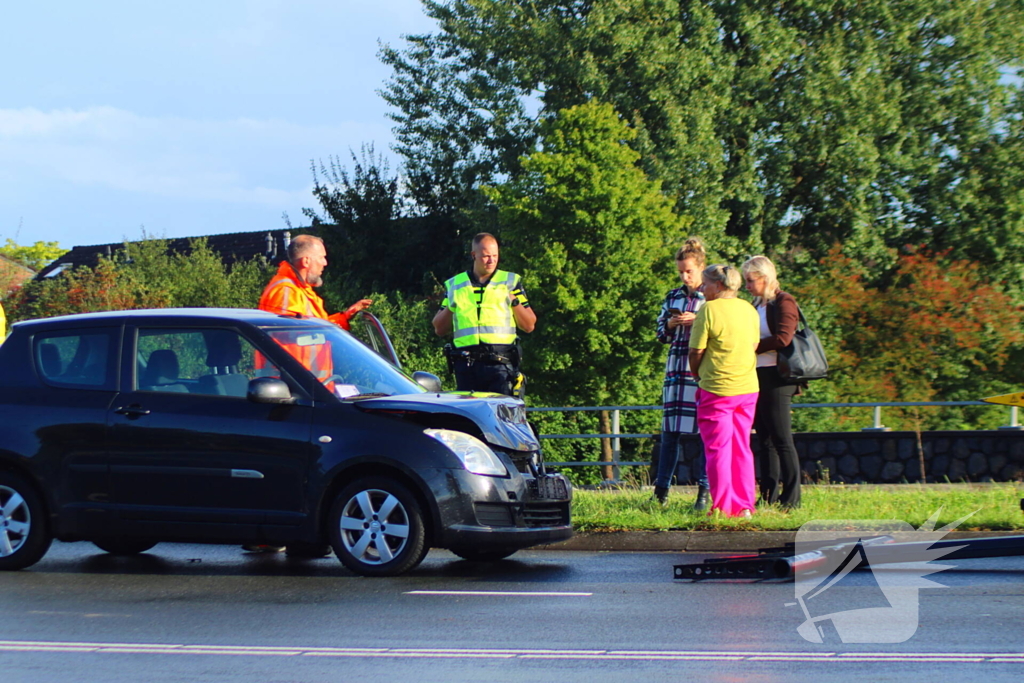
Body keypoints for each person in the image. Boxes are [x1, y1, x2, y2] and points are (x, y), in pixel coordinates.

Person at [250, 234, 370, 555]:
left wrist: (343, 318)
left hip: (305, 395)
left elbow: (313, 331)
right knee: (290, 468)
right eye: (322, 257)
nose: (325, 263)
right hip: (289, 397)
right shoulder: (285, 294)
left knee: (305, 468)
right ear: (306, 261)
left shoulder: (299, 292)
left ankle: (295, 534)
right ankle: (272, 534)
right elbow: (285, 347)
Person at [688, 264, 760, 518]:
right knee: (741, 446)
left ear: (718, 286)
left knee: (718, 449)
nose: (702, 288)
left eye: (705, 284)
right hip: (748, 388)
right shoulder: (749, 308)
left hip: (718, 388)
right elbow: (753, 344)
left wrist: (697, 373)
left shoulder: (708, 309)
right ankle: (744, 506)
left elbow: (696, 350)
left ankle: (722, 506)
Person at [432, 233, 536, 396]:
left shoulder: (510, 282)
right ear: (474, 255)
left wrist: (514, 301)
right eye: (486, 256)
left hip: (501, 367)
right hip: (467, 367)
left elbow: (529, 325)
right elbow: (439, 328)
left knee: (502, 418)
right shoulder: (456, 285)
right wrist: (451, 307)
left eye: (495, 256)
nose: (491, 261)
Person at [653, 237, 709, 509]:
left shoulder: (712, 296)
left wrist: (696, 319)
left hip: (700, 371)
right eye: (681, 272)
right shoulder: (673, 296)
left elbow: (721, 329)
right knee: (669, 434)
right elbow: (660, 333)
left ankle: (704, 491)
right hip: (675, 371)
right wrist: (673, 323)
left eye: (689, 271)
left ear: (700, 268)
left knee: (704, 433)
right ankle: (660, 491)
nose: (685, 276)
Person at [743, 255, 802, 509]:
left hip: (778, 377)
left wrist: (752, 347)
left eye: (751, 280)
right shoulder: (756, 304)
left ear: (765, 278)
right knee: (764, 439)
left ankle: (791, 498)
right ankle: (769, 496)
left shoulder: (784, 301)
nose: (747, 285)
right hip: (757, 375)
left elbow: (783, 338)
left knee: (781, 439)